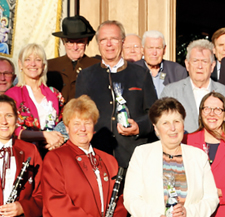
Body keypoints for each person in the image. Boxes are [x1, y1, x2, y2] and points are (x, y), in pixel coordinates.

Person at [75, 20, 158, 168]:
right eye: (103, 40)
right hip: (96, 154)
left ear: (122, 42)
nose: (109, 44)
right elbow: (79, 115)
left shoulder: (141, 74)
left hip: (133, 157)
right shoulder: (86, 76)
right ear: (98, 44)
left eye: (113, 39)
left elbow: (154, 113)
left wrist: (138, 127)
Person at [160, 39, 225, 132]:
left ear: (212, 66)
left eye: (204, 61)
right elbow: (161, 124)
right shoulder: (171, 92)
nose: (200, 66)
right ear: (187, 64)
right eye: (195, 61)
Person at [5, 43, 65, 153]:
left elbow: (64, 122)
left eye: (38, 60)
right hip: (23, 154)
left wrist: (59, 139)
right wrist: (44, 136)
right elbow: (10, 129)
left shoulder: (55, 94)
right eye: (28, 59)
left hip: (53, 154)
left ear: (43, 65)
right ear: (20, 64)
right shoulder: (10, 95)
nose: (33, 64)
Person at [48, 16, 102, 104]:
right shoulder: (50, 66)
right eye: (70, 42)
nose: (75, 47)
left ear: (86, 42)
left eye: (80, 42)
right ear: (63, 42)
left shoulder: (97, 66)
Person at [134, 30, 187, 97]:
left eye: (158, 48)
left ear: (164, 50)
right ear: (142, 49)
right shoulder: (132, 70)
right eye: (150, 48)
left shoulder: (177, 72)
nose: (154, 53)